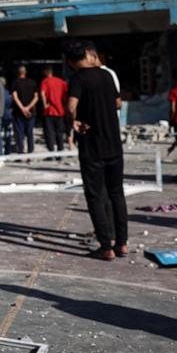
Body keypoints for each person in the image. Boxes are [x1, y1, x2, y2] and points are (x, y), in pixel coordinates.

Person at [65, 40, 126, 261]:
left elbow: (71, 106)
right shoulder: (107, 75)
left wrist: (75, 122)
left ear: (71, 61)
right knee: (116, 193)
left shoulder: (77, 79)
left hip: (92, 146)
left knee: (95, 196)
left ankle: (106, 246)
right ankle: (122, 243)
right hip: (113, 144)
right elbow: (119, 103)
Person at [39, 66, 68, 153]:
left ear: (46, 72)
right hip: (60, 110)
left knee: (49, 132)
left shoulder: (45, 81)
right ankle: (61, 149)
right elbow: (66, 95)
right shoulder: (61, 82)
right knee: (59, 132)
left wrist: (44, 105)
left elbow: (42, 93)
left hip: (49, 111)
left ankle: (51, 150)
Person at [10, 66, 39, 154]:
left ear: (17, 73)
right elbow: (36, 97)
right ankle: (30, 151)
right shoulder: (32, 82)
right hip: (31, 111)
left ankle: (21, 151)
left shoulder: (15, 83)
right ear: (25, 72)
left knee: (19, 132)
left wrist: (22, 108)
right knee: (29, 132)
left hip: (18, 112)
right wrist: (28, 107)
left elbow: (15, 97)